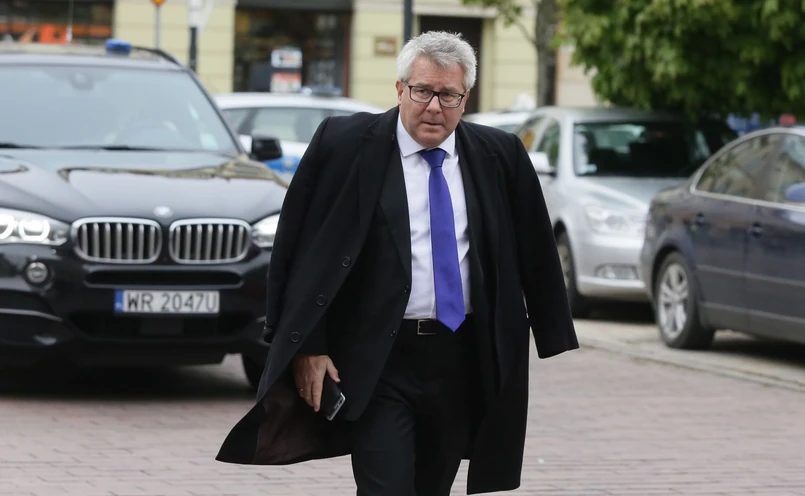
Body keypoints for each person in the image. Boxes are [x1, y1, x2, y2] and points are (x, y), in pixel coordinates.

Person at [216, 30, 579, 495]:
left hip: (462, 358)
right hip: (377, 358)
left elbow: (535, 246)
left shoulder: (499, 154)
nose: (434, 107)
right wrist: (308, 345)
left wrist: (552, 331)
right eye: (422, 91)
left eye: (448, 95)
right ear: (400, 89)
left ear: (465, 98)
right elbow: (297, 245)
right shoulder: (345, 144)